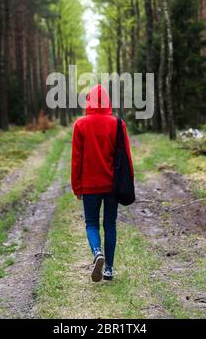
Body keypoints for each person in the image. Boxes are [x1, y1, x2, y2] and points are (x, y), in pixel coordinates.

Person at [71, 84, 134, 282]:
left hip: (90, 185)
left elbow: (76, 159)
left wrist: (76, 186)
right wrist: (129, 180)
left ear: (88, 101)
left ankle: (97, 252)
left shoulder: (80, 125)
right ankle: (109, 269)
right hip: (112, 185)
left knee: (91, 223)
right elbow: (127, 157)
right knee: (110, 225)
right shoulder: (118, 124)